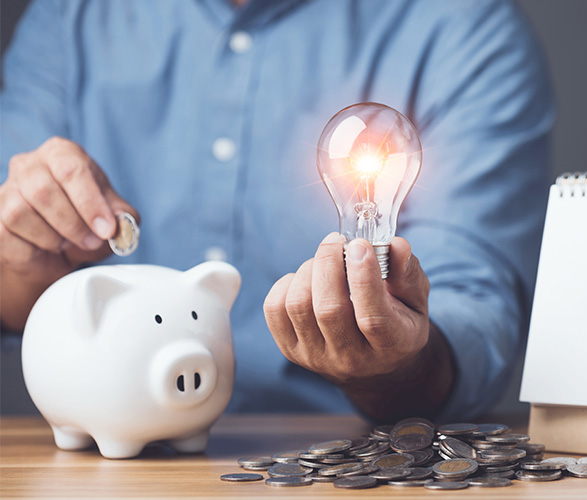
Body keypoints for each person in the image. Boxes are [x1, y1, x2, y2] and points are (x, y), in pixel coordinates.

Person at [0, 0, 554, 422]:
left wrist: (395, 360)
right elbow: (11, 275)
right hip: (111, 439)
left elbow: (476, 316)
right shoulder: (69, 16)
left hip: (343, 452)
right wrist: (23, 262)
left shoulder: (464, 26)